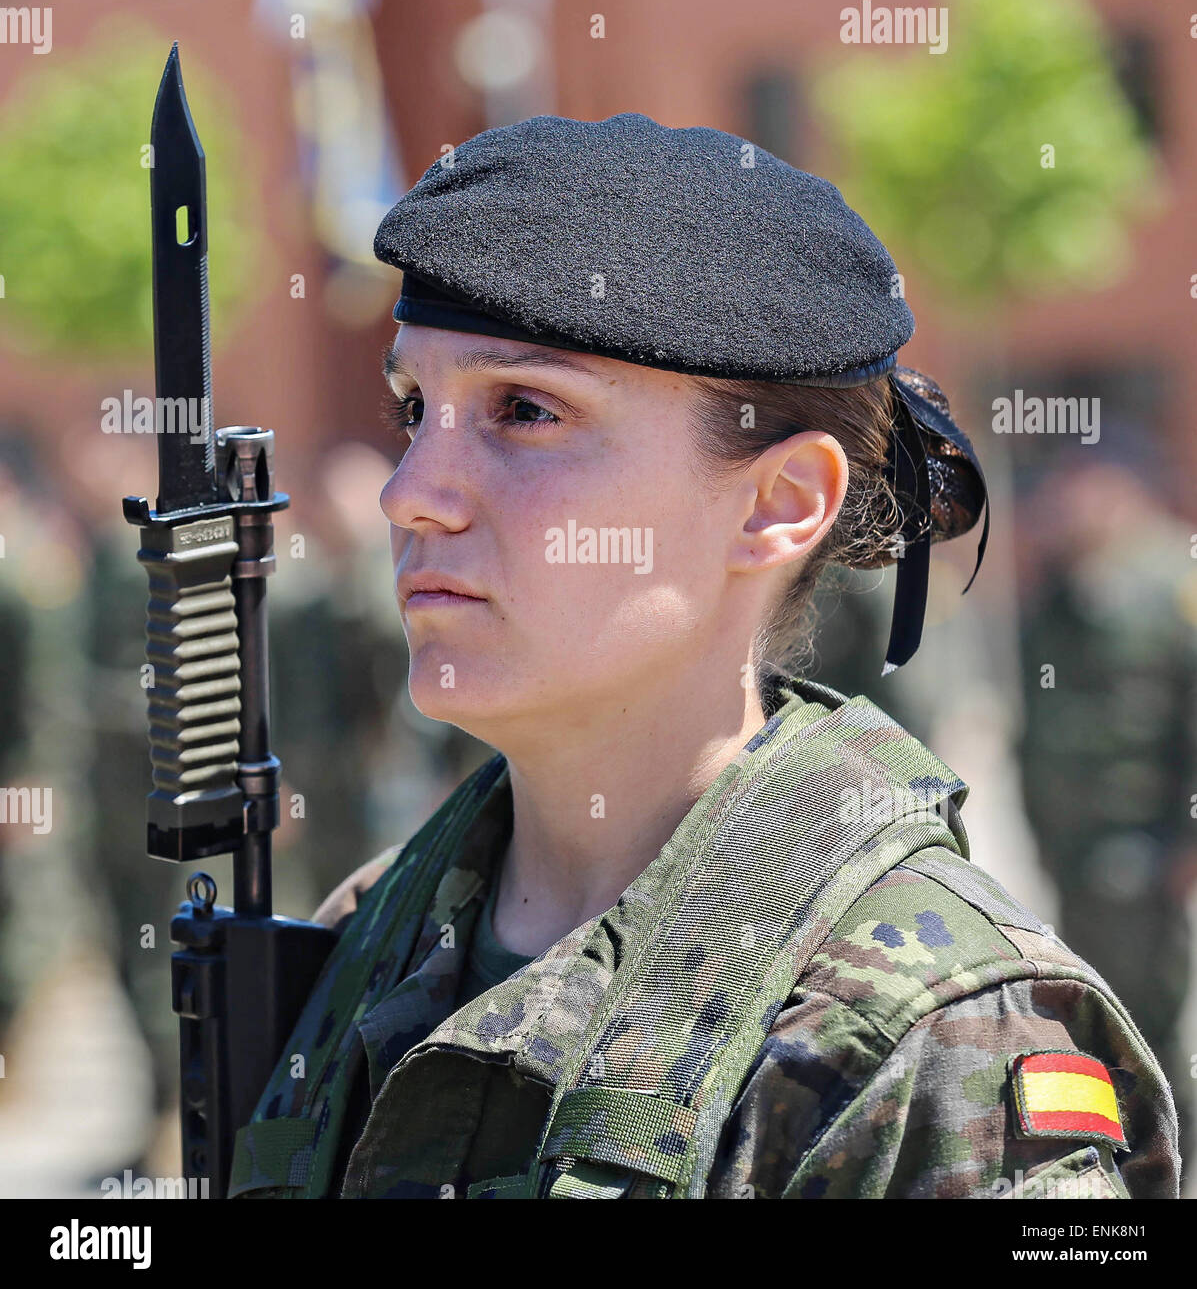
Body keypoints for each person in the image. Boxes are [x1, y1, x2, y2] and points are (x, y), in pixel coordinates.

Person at [228, 113, 1180, 1199]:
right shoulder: (372, 931)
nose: (412, 493)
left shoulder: (930, 1036)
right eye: (415, 409)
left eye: (525, 410)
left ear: (779, 504)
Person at [1016, 454, 1197, 1177]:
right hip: (1071, 846)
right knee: (1090, 1013)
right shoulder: (1056, 592)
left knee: (1144, 1018)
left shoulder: (1170, 589)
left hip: (1137, 846)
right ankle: (1117, 1157)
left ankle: (1171, 1158)